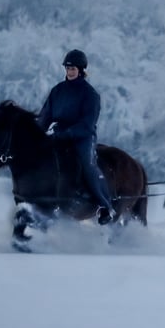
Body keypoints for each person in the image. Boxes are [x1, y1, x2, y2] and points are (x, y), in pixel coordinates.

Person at [37, 49, 115, 225]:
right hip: (57, 135)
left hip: (82, 138)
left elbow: (87, 124)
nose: (69, 72)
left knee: (87, 165)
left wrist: (66, 134)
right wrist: (37, 134)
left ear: (81, 70)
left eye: (73, 69)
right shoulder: (57, 91)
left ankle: (104, 205)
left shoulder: (90, 95)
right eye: (67, 68)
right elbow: (45, 116)